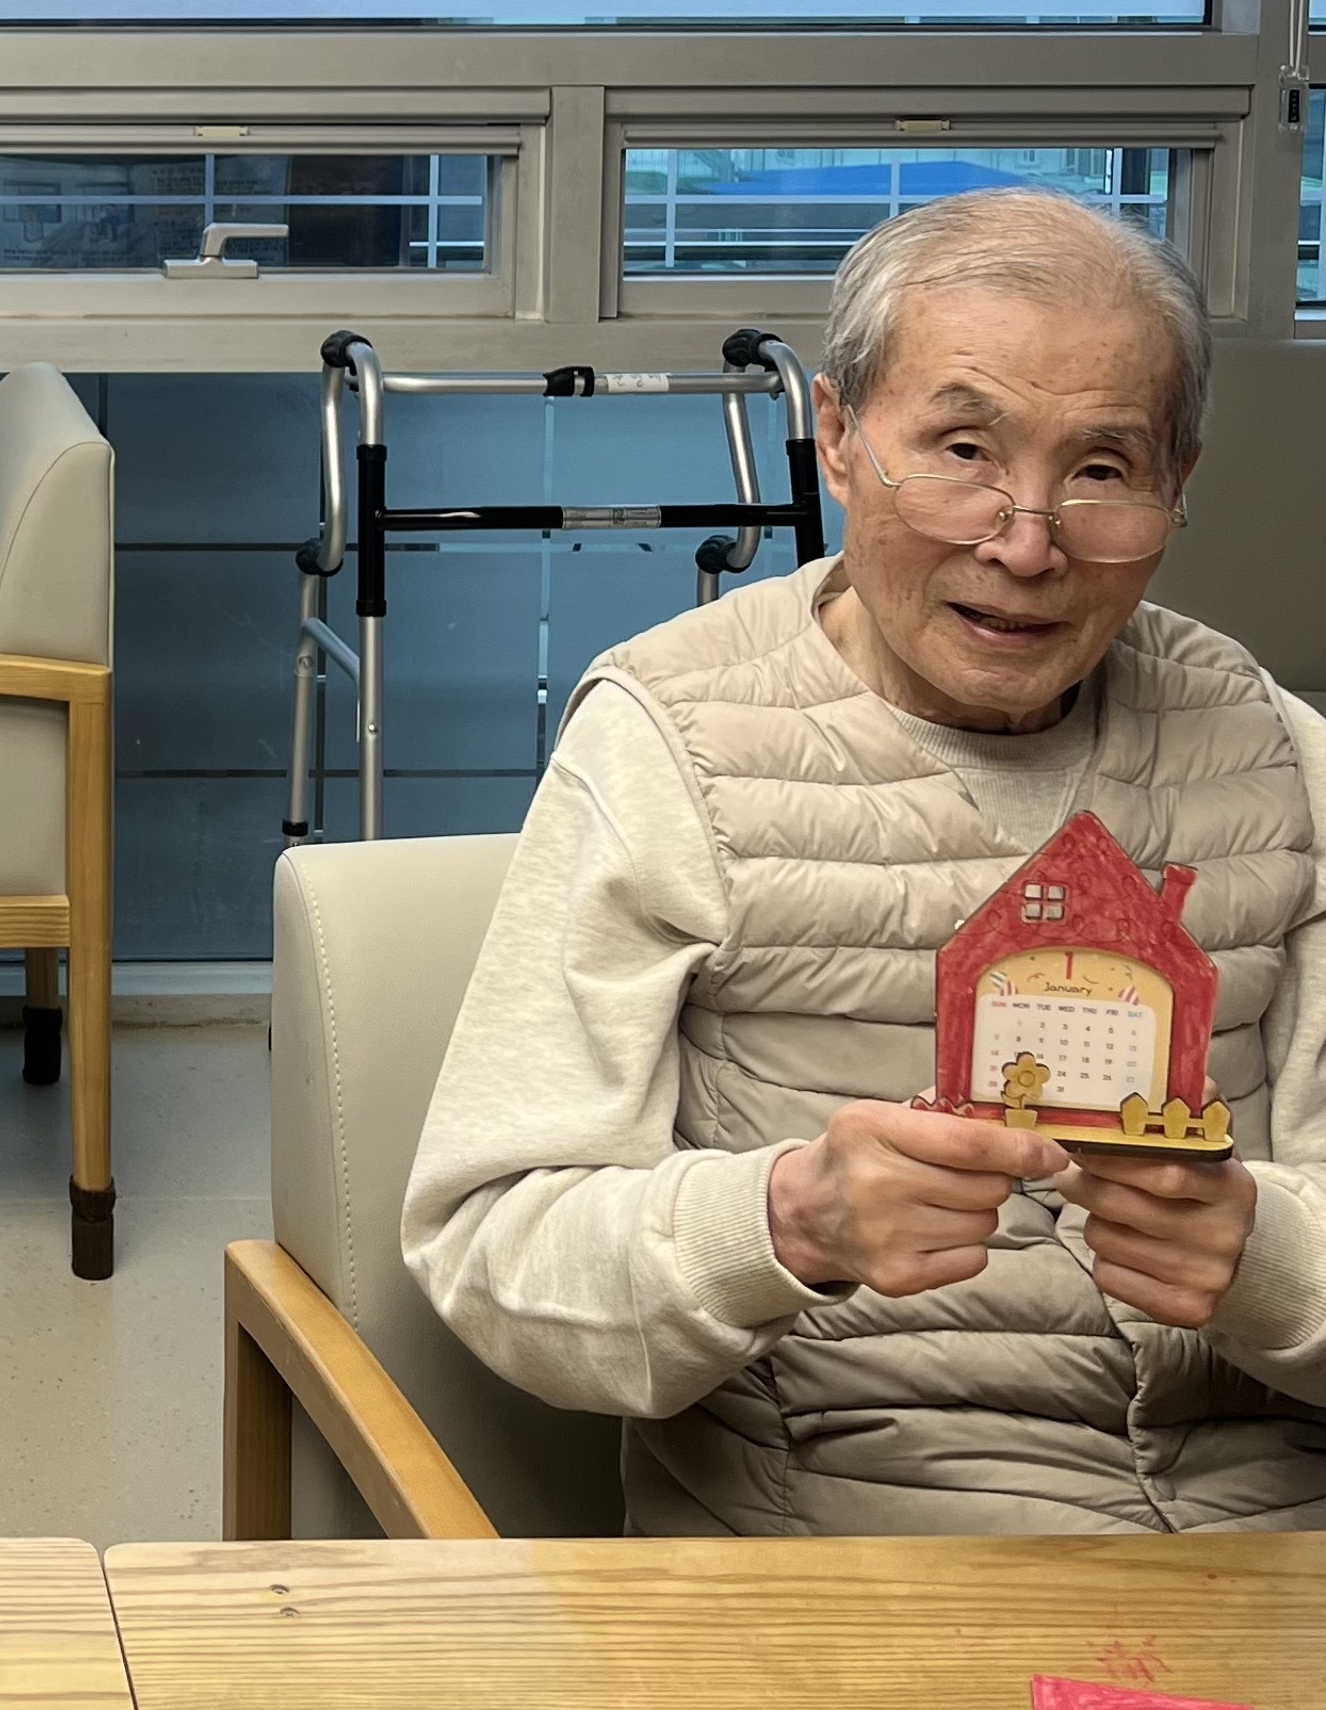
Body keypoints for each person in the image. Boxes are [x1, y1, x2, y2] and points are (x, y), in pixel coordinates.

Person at [402, 186, 1326, 1535]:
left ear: (1177, 484)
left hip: (1263, 1548)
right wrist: (786, 1221)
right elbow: (495, 1246)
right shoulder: (673, 740)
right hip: (849, 1545)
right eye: (963, 449)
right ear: (837, 437)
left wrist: (1271, 1260)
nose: (1025, 543)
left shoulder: (1278, 752)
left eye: (1102, 470)